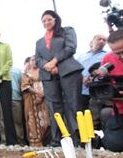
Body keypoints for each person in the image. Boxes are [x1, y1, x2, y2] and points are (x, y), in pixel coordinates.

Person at [35, 10, 83, 147]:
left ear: (55, 19)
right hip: (49, 76)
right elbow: (37, 59)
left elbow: (71, 48)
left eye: (49, 19)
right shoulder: (39, 42)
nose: (46, 22)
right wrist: (47, 66)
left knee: (73, 105)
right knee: (54, 108)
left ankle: (78, 139)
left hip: (68, 72)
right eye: (43, 21)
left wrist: (55, 61)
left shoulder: (67, 31)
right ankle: (57, 140)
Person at [98, 29, 123, 152]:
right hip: (120, 113)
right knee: (114, 145)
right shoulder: (107, 59)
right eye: (116, 53)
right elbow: (102, 85)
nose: (120, 56)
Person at [77, 34, 107, 129]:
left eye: (104, 40)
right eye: (99, 39)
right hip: (81, 90)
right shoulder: (81, 56)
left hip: (97, 92)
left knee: (95, 117)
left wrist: (91, 78)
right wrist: (82, 78)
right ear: (92, 41)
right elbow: (75, 70)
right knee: (80, 116)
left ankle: (96, 141)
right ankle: (82, 140)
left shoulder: (106, 55)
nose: (102, 41)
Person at [21, 55, 51, 146]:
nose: (34, 61)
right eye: (32, 60)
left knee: (47, 121)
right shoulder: (25, 74)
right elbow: (25, 86)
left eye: (36, 60)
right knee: (32, 120)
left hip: (45, 100)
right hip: (31, 101)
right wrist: (37, 93)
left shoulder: (44, 72)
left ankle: (48, 141)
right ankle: (36, 143)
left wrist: (42, 95)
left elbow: (49, 83)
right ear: (29, 62)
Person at [0, 67, 25, 145]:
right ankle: (4, 141)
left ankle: (19, 141)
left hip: (15, 98)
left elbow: (21, 84)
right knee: (2, 120)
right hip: (0, 98)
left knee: (17, 121)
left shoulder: (17, 70)